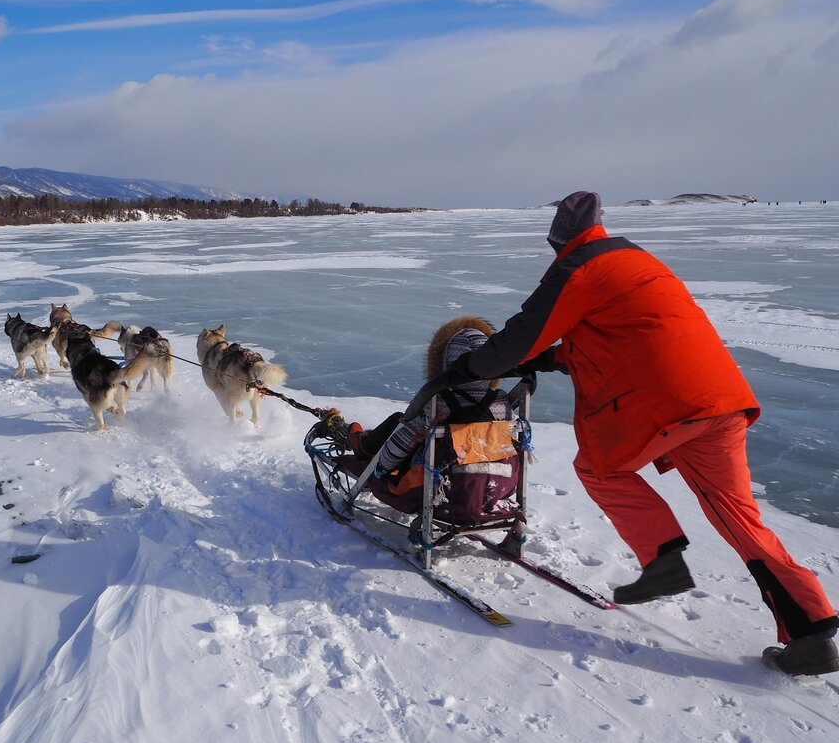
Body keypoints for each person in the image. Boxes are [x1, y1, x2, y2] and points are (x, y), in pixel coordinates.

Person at [425, 190, 837, 676]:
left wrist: (468, 368)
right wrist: (549, 360)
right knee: (739, 516)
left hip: (667, 406)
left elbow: (520, 334)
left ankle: (663, 558)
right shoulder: (639, 262)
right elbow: (624, 337)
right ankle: (810, 629)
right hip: (722, 401)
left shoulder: (577, 267)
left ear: (558, 238)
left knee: (598, 469)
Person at [340, 316, 520, 526]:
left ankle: (364, 447)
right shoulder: (501, 403)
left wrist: (381, 467)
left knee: (402, 426)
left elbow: (405, 440)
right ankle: (365, 444)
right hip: (492, 489)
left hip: (442, 490)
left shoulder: (440, 403)